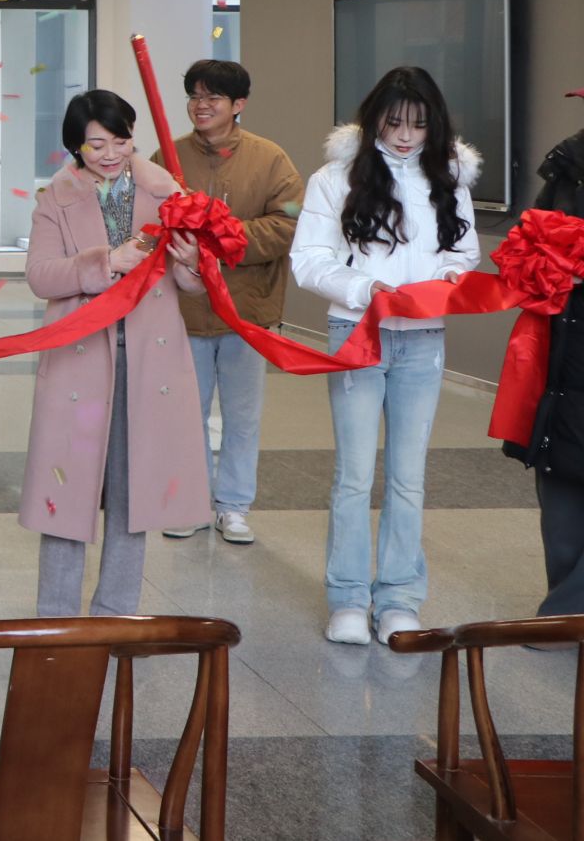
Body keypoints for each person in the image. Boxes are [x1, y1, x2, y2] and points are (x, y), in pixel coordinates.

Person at [292, 64, 480, 646]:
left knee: (407, 478)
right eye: (394, 122)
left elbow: (465, 252)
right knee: (353, 476)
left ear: (434, 125)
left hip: (423, 339)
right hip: (358, 333)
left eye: (418, 125)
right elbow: (308, 261)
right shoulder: (334, 178)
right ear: (374, 117)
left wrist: (448, 277)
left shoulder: (448, 178)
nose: (404, 136)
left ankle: (399, 597)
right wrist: (364, 289)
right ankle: (348, 598)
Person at [22, 90, 210, 618]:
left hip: (149, 358)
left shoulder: (165, 190)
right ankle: (56, 621)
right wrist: (107, 261)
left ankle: (117, 615)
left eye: (120, 141)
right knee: (66, 490)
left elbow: (191, 284)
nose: (110, 154)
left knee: (134, 494)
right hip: (80, 358)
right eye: (96, 144)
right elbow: (40, 276)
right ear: (75, 146)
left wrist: (193, 262)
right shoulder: (55, 198)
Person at [162, 60, 305, 546]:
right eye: (194, 96)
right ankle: (192, 503)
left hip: (248, 311)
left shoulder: (270, 159)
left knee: (242, 417)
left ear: (238, 104)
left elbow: (289, 222)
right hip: (184, 312)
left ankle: (234, 506)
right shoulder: (170, 158)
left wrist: (223, 237)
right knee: (187, 414)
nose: (200, 106)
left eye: (213, 98)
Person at [506, 106, 584, 616]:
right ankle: (567, 613)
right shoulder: (566, 166)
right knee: (559, 475)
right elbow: (528, 239)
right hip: (562, 340)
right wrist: (544, 266)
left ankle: (561, 613)